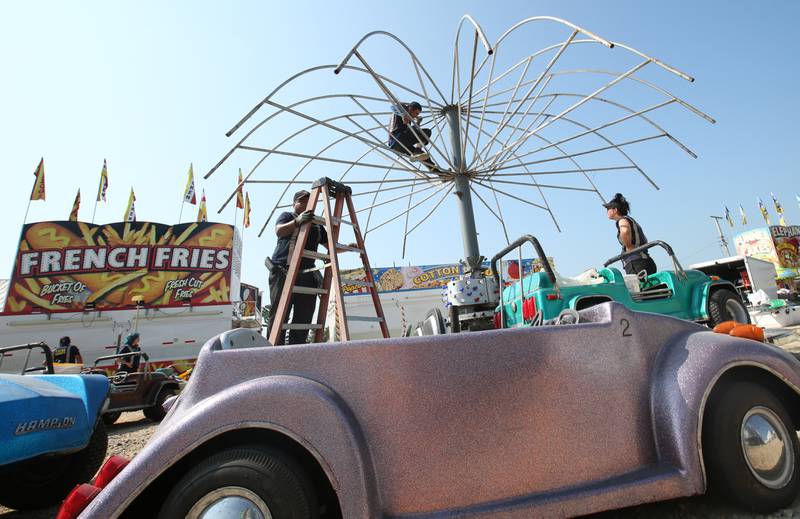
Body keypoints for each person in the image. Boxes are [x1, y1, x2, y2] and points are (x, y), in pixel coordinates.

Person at [266, 190, 329, 345]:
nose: (307, 203)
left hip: (307, 274)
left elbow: (330, 246)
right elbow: (279, 230)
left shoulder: (318, 226)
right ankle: (273, 351)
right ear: (294, 204)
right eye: (303, 201)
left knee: (304, 316)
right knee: (280, 314)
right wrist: (297, 221)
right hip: (283, 271)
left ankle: (297, 351)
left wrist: (347, 247)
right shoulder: (288, 216)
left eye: (310, 201)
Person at [603, 193, 657, 276]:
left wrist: (629, 247)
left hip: (637, 264)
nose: (607, 211)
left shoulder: (622, 220)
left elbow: (624, 230)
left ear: (615, 210)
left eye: (608, 209)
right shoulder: (631, 220)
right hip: (646, 262)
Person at [388, 101, 442, 173]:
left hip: (397, 145)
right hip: (398, 138)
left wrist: (417, 123)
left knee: (423, 156)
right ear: (410, 108)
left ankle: (439, 174)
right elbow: (393, 107)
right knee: (426, 132)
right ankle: (417, 150)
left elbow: (412, 131)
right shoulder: (402, 109)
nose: (416, 116)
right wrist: (403, 114)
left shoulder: (408, 118)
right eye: (416, 113)